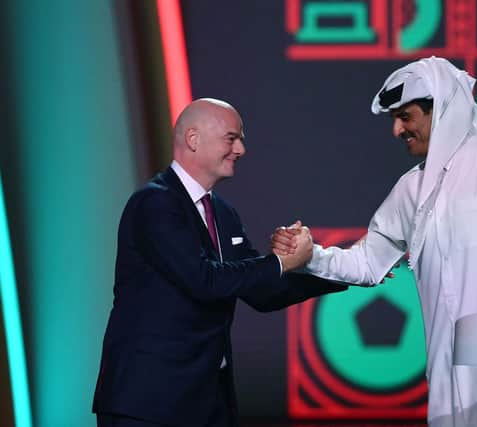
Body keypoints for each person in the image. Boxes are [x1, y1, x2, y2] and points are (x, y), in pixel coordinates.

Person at [272, 57, 477, 426]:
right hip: (447, 379)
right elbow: (367, 263)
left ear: (440, 111)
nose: (397, 130)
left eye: (406, 117)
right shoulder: (412, 188)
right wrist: (310, 256)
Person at [92, 98, 346, 427]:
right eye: (231, 138)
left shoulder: (222, 212)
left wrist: (342, 270)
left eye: (241, 139)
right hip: (148, 403)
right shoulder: (154, 204)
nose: (240, 149)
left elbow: (262, 293)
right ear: (193, 139)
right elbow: (204, 280)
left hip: (208, 402)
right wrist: (281, 261)